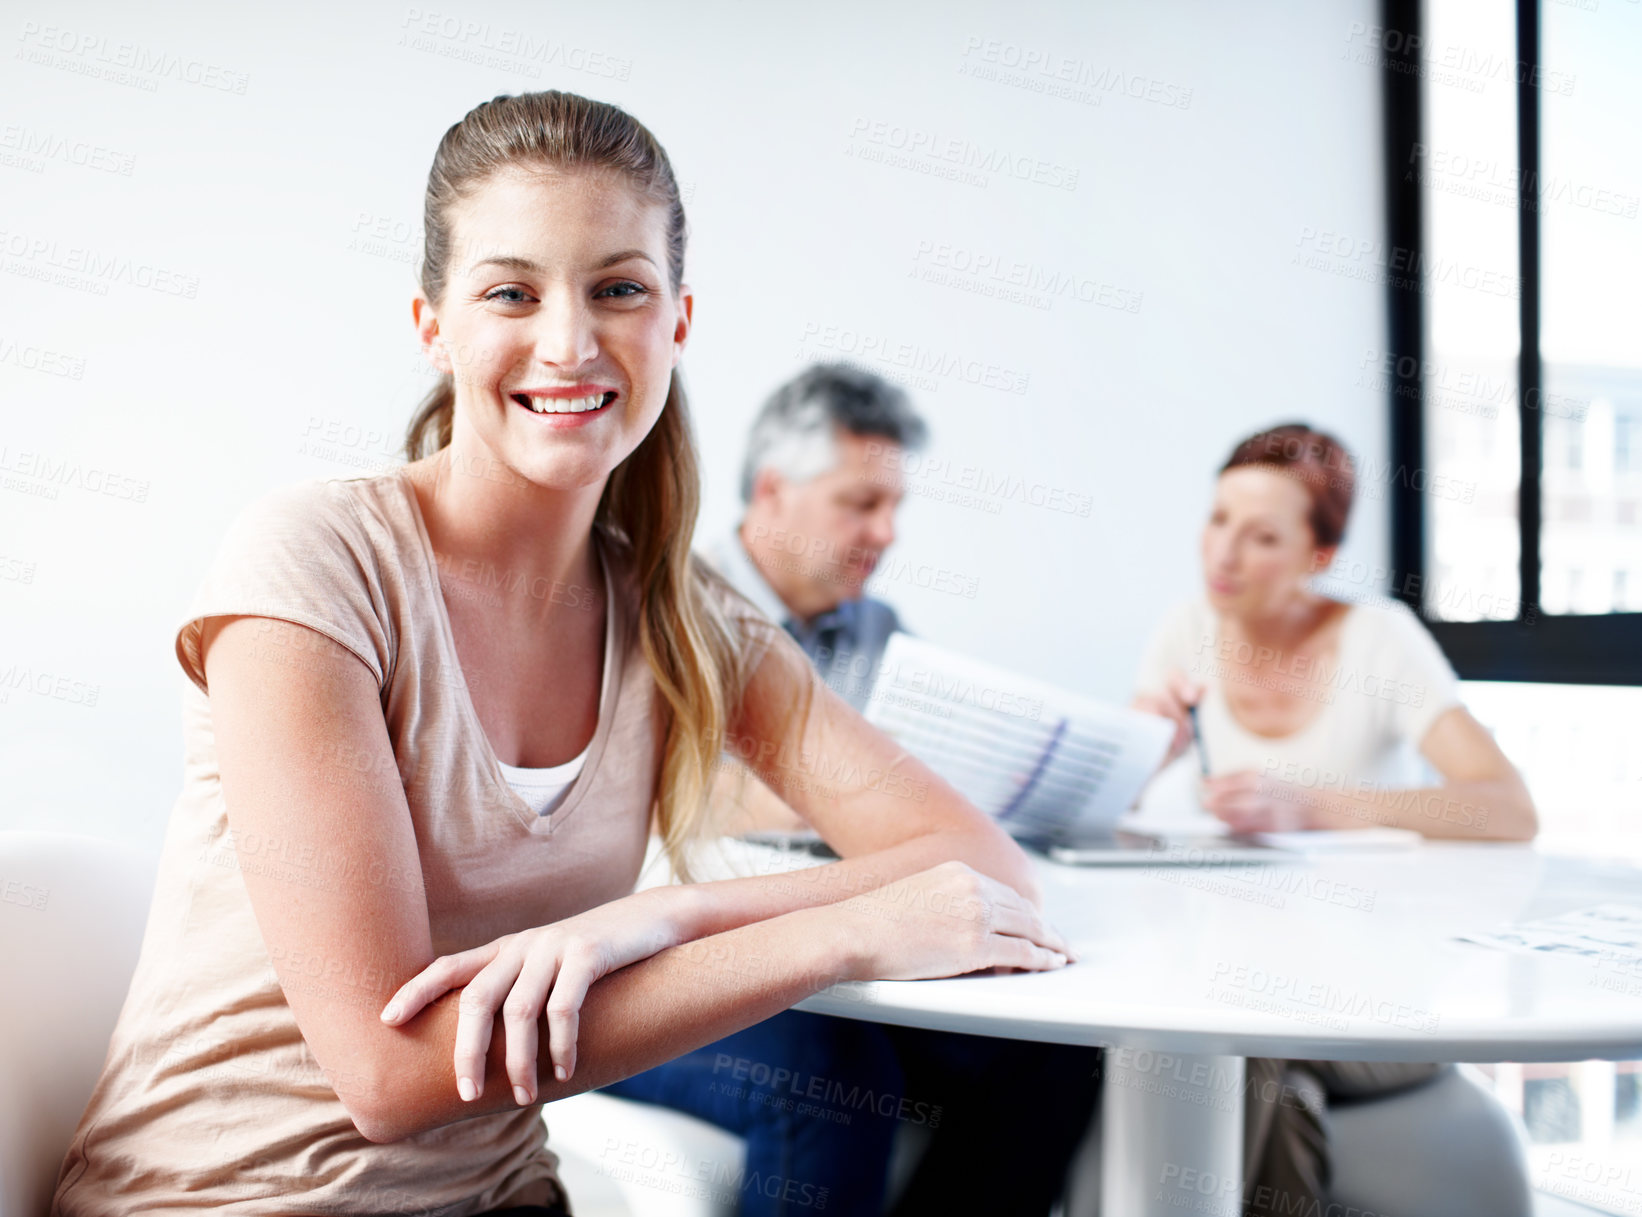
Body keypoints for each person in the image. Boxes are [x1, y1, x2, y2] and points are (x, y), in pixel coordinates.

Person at [47, 90, 1072, 1217]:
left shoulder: (685, 615)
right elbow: (389, 1075)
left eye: (618, 288)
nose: (570, 340)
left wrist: (650, 916)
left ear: (677, 320)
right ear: (433, 322)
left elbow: (975, 865)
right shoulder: (317, 562)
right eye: (510, 292)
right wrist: (833, 931)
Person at [602, 363, 1104, 1216]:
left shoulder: (880, 635)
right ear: (772, 491)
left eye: (895, 506)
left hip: (847, 949)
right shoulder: (664, 602)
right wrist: (851, 795)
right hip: (663, 962)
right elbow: (660, 790)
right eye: (862, 503)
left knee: (1054, 1051)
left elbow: (921, 798)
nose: (888, 531)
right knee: (828, 1071)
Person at [1130, 422, 1538, 1217]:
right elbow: (1110, 813)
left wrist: (1311, 804)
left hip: (1382, 989)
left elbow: (1508, 807)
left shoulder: (1378, 638)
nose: (1223, 554)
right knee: (1245, 1057)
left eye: (1262, 537)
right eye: (1218, 520)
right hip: (1241, 980)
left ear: (1318, 556)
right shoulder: (1188, 630)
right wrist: (1148, 749)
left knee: (1244, 1048)